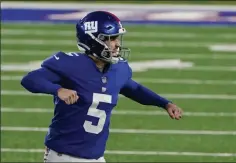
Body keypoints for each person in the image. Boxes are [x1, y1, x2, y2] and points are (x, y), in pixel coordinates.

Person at [21, 11, 183, 163]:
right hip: (64, 156)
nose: (117, 44)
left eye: (117, 38)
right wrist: (57, 90)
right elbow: (30, 79)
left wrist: (164, 103)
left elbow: (133, 89)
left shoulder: (118, 69)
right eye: (110, 39)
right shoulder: (70, 64)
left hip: (96, 157)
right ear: (92, 40)